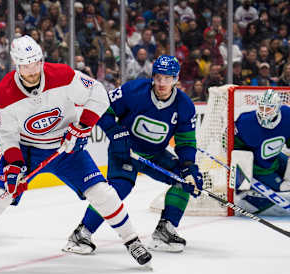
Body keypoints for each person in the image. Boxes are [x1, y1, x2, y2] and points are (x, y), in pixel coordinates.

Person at [0, 35, 152, 273]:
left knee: (102, 193)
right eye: (25, 66)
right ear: (16, 65)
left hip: (66, 148)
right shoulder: (3, 94)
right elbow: (6, 136)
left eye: (36, 63)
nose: (32, 71)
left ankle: (132, 240)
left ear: (41, 59)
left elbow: (99, 94)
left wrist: (81, 128)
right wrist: (14, 166)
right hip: (27, 151)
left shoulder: (62, 75)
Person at [63, 55, 203, 254]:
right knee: (118, 188)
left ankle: (165, 231)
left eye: (168, 78)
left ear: (176, 79)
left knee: (184, 180)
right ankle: (81, 234)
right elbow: (103, 108)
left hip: (155, 154)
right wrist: (115, 133)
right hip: (124, 150)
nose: (162, 83)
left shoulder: (184, 106)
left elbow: (186, 142)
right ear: (153, 76)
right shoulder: (134, 90)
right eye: (159, 77)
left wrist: (189, 167)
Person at [232, 89, 290, 216]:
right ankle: (252, 197)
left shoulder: (287, 116)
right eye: (261, 107)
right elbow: (233, 147)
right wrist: (242, 178)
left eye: (268, 109)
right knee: (282, 189)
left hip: (274, 158)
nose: (263, 112)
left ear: (277, 108)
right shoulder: (246, 122)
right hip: (258, 166)